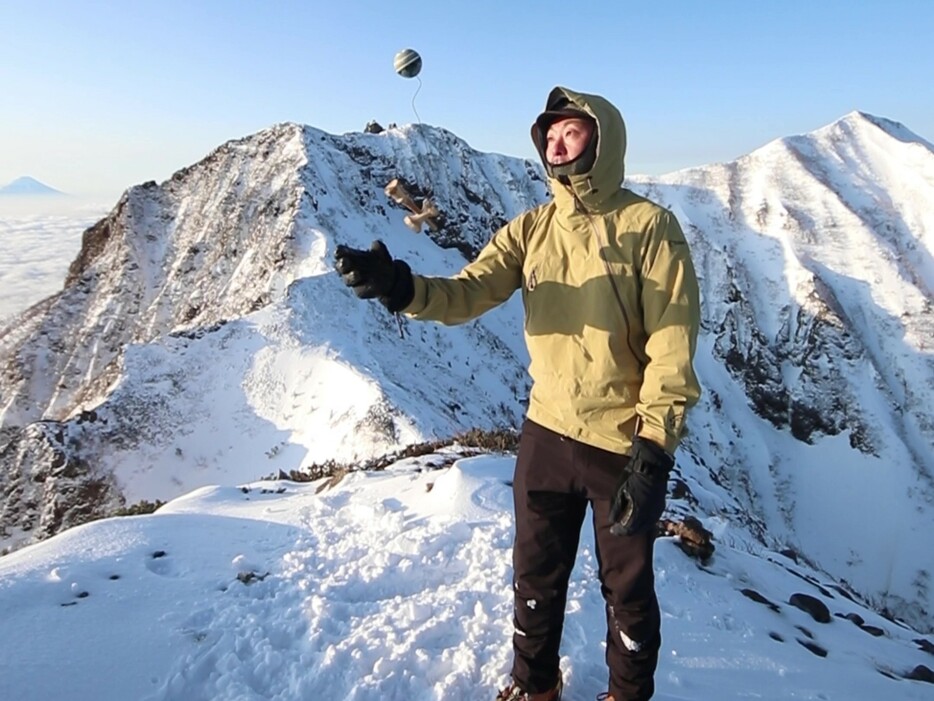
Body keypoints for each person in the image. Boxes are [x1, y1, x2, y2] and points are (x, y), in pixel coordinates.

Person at [334, 86, 701, 701]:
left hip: (621, 443)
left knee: (628, 589)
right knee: (535, 576)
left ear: (601, 140)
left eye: (572, 132)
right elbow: (468, 291)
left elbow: (672, 342)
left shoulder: (650, 228)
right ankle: (534, 689)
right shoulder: (531, 228)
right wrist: (400, 288)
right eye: (550, 135)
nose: (557, 143)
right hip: (547, 432)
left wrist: (655, 446)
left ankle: (628, 694)